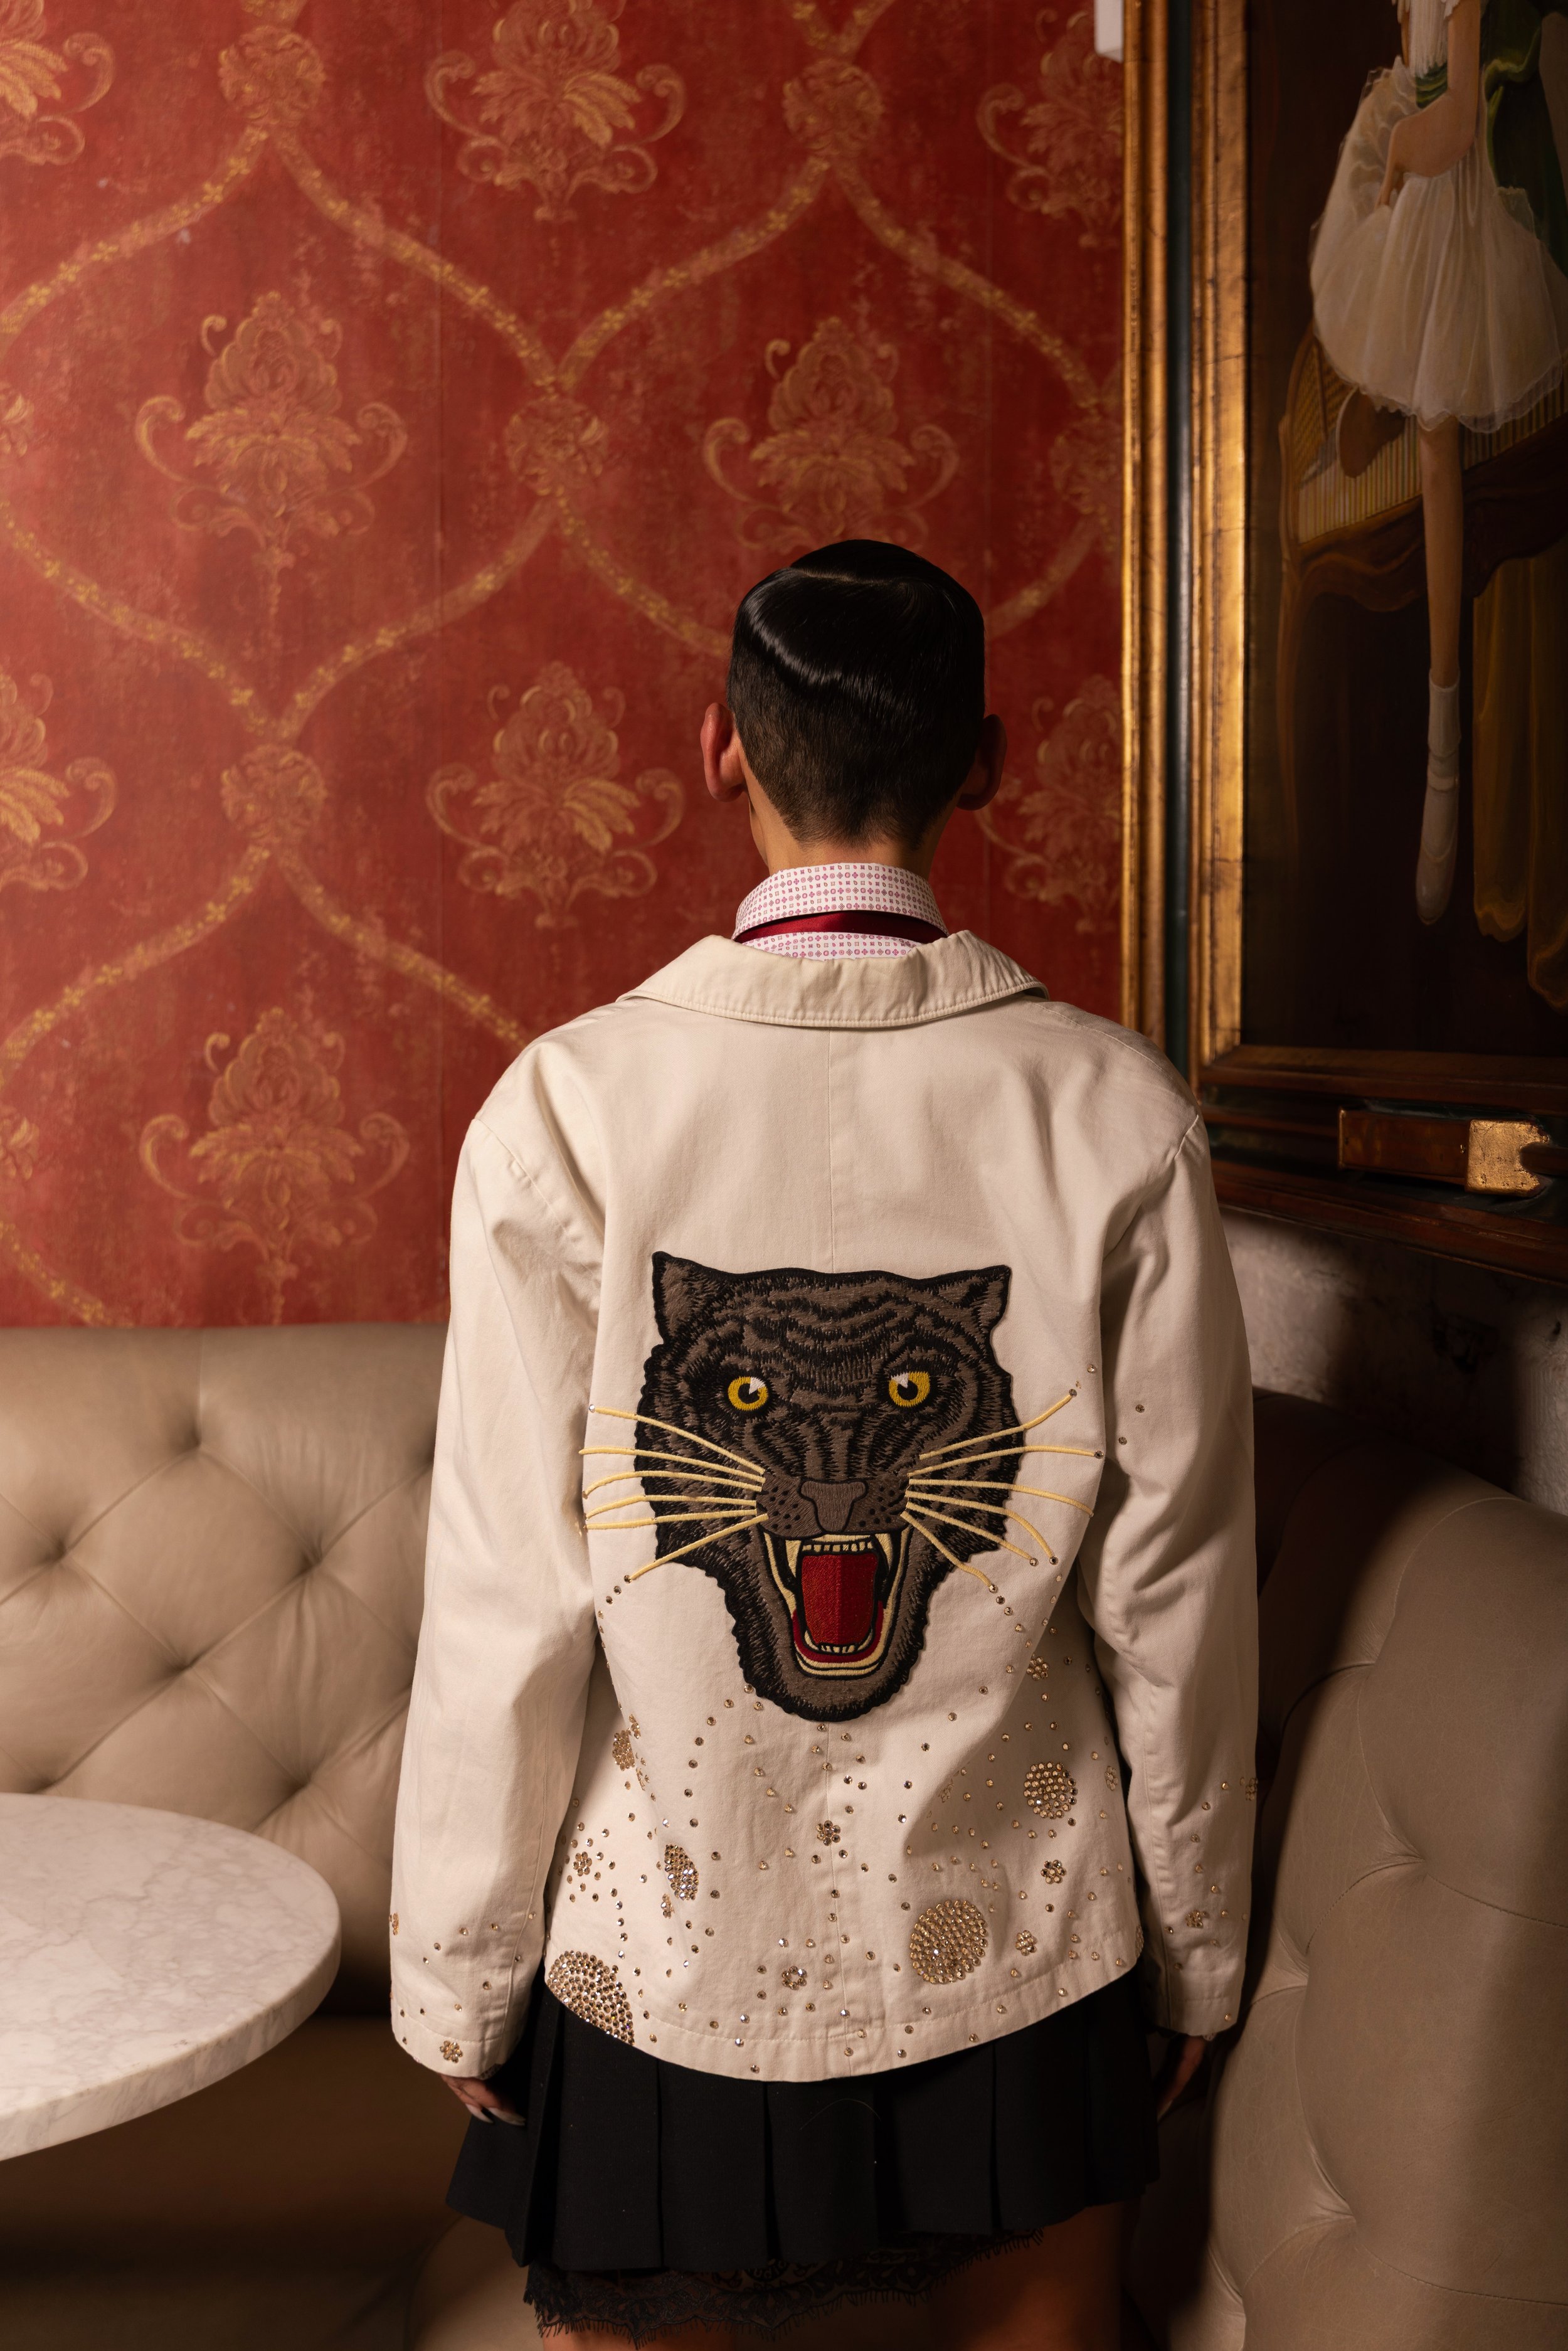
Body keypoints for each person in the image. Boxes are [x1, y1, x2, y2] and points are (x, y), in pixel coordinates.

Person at [389, 541, 1258, 2350]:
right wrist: (1195, 1945)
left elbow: (505, 1593)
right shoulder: (1117, 1109)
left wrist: (460, 1971)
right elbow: (1172, 1585)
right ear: (985, 763)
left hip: (661, 1954)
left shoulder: (564, 1102)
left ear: (720, 748)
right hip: (1023, 1940)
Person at [1310, 0, 1568, 923]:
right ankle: (1378, 393)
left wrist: (1396, 158)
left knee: (1440, 431)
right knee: (1371, 259)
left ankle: (1444, 743)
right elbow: (1410, 83)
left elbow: (1458, 119)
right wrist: (1384, 149)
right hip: (1423, 181)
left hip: (1472, 188)